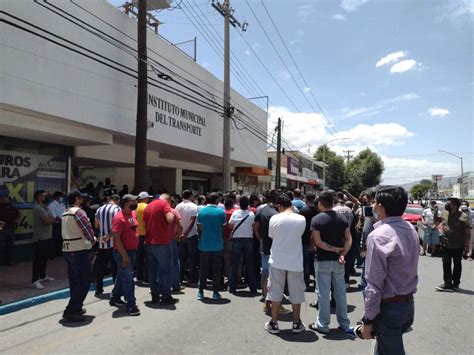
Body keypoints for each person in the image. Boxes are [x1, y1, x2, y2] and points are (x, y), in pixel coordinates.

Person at [360, 186, 419, 355]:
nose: (372, 205)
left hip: (389, 308)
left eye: (375, 202)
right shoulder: (409, 228)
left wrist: (368, 319)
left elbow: (374, 283)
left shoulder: (378, 235)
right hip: (407, 305)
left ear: (381, 207)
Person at [309, 190, 352, 334]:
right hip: (339, 262)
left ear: (320, 203)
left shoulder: (317, 219)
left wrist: (334, 250)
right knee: (340, 293)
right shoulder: (342, 219)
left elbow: (318, 242)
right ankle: (344, 323)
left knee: (323, 293)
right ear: (333, 203)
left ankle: (323, 324)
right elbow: (348, 239)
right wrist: (342, 252)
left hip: (323, 261)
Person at [264, 194, 306, 335]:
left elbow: (272, 236)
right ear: (291, 205)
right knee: (296, 292)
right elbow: (300, 234)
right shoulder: (301, 219)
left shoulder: (274, 218)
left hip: (277, 259)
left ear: (279, 206)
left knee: (275, 292)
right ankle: (296, 322)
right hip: (295, 260)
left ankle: (274, 323)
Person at [61, 190, 97, 322]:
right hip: (78, 249)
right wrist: (93, 239)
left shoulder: (66, 212)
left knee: (74, 281)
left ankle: (76, 307)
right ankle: (71, 309)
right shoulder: (78, 212)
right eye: (80, 198)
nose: (82, 200)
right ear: (77, 199)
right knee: (84, 281)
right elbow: (86, 228)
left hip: (67, 249)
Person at [254, 190, 290, 315]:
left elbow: (255, 226)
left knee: (266, 273)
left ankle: (266, 299)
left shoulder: (261, 210)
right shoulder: (275, 214)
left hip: (264, 246)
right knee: (275, 277)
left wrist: (260, 238)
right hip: (274, 248)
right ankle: (275, 304)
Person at [143, 193, 177, 305]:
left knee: (152, 271)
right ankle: (166, 296)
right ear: (168, 201)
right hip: (161, 242)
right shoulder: (164, 204)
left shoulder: (148, 206)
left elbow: (144, 223)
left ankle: (155, 295)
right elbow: (170, 219)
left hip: (149, 242)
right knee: (166, 270)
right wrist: (171, 214)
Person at [110, 194, 140, 316]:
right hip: (123, 253)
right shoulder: (118, 218)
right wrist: (124, 256)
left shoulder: (133, 214)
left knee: (123, 274)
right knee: (128, 279)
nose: (136, 202)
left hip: (132, 251)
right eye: (134, 201)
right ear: (127, 202)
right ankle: (131, 305)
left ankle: (115, 297)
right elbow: (116, 239)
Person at [435, 197, 470, 292]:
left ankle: (456, 283)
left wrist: (467, 246)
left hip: (458, 245)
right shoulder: (444, 214)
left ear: (455, 205)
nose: (447, 205)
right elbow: (438, 223)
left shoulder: (463, 216)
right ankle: (447, 284)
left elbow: (467, 232)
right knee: (446, 264)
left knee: (457, 264)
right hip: (446, 243)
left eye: (449, 203)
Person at [196, 193, 226, 300]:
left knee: (203, 269)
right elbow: (223, 228)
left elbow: (199, 227)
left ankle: (200, 291)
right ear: (216, 200)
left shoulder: (201, 211)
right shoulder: (221, 212)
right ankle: (215, 292)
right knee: (216, 270)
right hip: (217, 245)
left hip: (204, 244)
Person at [92, 194, 121, 296]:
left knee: (100, 268)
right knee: (115, 268)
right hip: (113, 243)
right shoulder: (117, 209)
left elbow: (96, 225)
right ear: (117, 200)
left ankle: (98, 289)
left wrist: (102, 234)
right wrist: (109, 235)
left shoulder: (100, 209)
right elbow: (118, 225)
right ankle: (116, 291)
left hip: (102, 243)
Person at [228, 196, 257, 294]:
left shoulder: (235, 213)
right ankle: (253, 288)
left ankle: (232, 287)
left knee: (235, 264)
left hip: (237, 239)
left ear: (239, 204)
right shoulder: (251, 214)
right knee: (249, 264)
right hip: (248, 239)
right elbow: (253, 226)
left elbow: (230, 225)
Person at [32, 190, 56, 289]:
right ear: (38, 197)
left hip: (47, 236)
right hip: (40, 238)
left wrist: (50, 219)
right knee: (38, 259)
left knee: (44, 258)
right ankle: (34, 280)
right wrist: (50, 219)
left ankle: (42, 276)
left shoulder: (45, 207)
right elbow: (47, 221)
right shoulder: (37, 208)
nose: (46, 198)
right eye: (44, 196)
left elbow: (53, 218)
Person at [160, 194, 183, 292]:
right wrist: (178, 236)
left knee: (161, 263)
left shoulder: (158, 212)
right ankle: (175, 285)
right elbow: (180, 227)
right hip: (172, 240)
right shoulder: (173, 211)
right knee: (174, 263)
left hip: (160, 241)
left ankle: (162, 285)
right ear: (170, 202)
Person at [175, 190, 199, 285]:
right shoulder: (194, 206)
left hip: (180, 235)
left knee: (181, 258)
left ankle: (179, 278)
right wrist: (186, 233)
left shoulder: (178, 206)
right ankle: (192, 279)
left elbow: (176, 221)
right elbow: (192, 221)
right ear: (191, 196)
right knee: (192, 259)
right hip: (191, 235)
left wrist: (179, 233)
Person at [298, 192, 319, 290]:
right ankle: (316, 282)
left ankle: (305, 282)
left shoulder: (302, 211)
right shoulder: (318, 211)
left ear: (306, 199)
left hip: (304, 238)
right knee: (315, 261)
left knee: (305, 262)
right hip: (316, 239)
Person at [135, 191, 151, 284]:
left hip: (137, 235)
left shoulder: (134, 207)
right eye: (147, 198)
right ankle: (146, 278)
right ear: (144, 199)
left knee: (139, 257)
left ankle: (139, 276)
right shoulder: (147, 207)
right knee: (147, 257)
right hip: (146, 234)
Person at [0, 195, 20, 266]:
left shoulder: (13, 208)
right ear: (1, 200)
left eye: (7, 200)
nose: (6, 201)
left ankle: (10, 261)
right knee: (2, 246)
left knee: (11, 246)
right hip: (2, 231)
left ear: (10, 201)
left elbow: (18, 214)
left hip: (11, 230)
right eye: (4, 200)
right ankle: (2, 262)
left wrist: (15, 221)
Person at [48, 191, 66, 257]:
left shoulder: (62, 204)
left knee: (60, 239)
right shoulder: (51, 205)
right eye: (60, 197)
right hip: (55, 224)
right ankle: (52, 254)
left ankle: (59, 253)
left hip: (63, 224)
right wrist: (62, 220)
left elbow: (65, 213)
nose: (61, 198)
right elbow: (54, 216)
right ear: (56, 197)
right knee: (54, 239)